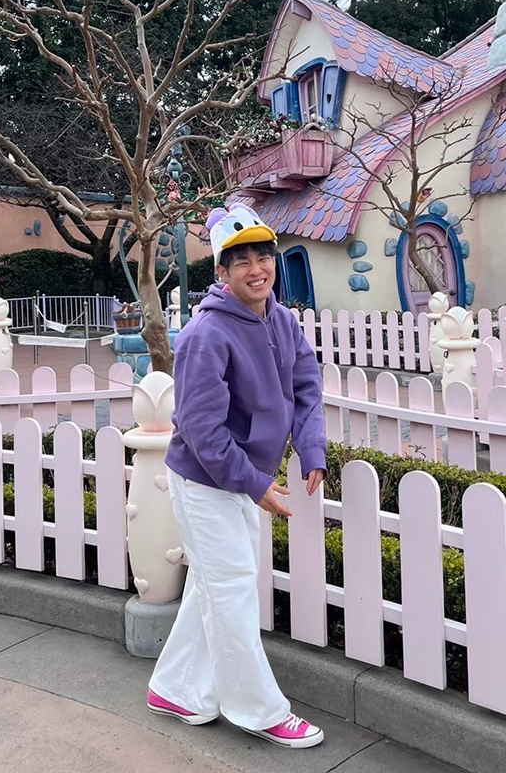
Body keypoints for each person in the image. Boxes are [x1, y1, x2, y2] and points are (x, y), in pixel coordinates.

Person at [147, 204, 328, 749]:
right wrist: (256, 483)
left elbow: (306, 386)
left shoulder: (282, 320)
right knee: (231, 593)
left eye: (263, 256)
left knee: (215, 584)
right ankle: (260, 710)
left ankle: (174, 688)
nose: (256, 269)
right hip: (205, 483)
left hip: (243, 478)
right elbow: (199, 427)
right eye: (241, 260)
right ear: (222, 272)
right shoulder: (206, 333)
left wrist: (311, 448)